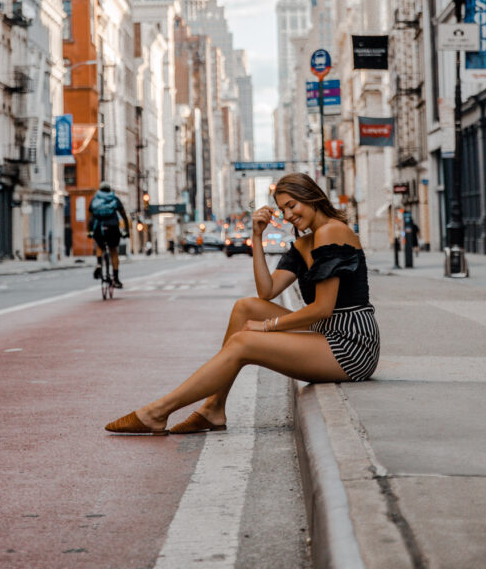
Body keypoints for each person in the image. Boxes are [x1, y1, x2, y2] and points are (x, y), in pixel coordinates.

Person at [105, 172, 380, 435]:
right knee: (245, 307)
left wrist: (267, 326)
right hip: (327, 333)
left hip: (351, 346)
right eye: (282, 210)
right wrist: (257, 237)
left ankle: (158, 411)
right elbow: (266, 291)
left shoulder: (332, 231)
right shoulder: (305, 242)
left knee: (243, 342)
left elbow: (322, 309)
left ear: (311, 196)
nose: (287, 215)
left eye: (292, 205)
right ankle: (214, 407)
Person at [89, 182, 129, 289]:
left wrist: (90, 231)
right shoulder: (114, 198)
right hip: (112, 227)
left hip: (99, 227)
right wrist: (127, 230)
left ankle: (98, 263)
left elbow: (91, 215)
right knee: (113, 250)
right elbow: (123, 215)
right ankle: (116, 279)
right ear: (109, 190)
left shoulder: (95, 199)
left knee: (100, 245)